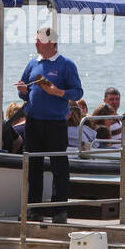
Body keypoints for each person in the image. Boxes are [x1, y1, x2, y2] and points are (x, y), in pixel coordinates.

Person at [16, 26, 83, 222]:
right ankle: (34, 209)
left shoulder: (66, 64)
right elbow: (26, 92)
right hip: (34, 122)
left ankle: (59, 210)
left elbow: (78, 91)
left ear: (52, 43)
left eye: (40, 41)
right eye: (36, 40)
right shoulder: (32, 63)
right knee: (34, 166)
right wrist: (21, 90)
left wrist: (60, 92)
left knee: (59, 166)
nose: (36, 43)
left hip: (55, 123)